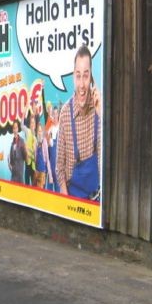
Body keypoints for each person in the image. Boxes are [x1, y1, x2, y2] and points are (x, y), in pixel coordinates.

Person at [55, 45, 102, 200]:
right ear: (73, 77)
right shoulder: (66, 113)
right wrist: (64, 195)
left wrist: (101, 114)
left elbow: (106, 160)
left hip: (96, 200)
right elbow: (59, 166)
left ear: (91, 78)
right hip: (71, 197)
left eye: (86, 76)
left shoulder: (99, 109)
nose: (82, 84)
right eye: (78, 76)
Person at [44, 102, 60, 192]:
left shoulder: (61, 127)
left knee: (57, 181)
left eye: (56, 113)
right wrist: (49, 139)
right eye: (53, 113)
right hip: (52, 156)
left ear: (58, 114)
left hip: (59, 157)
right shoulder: (51, 127)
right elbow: (45, 134)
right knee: (50, 180)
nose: (55, 115)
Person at [33, 121, 53, 189]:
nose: (40, 132)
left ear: (42, 132)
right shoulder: (36, 142)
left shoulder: (44, 141)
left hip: (42, 172)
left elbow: (47, 159)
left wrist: (50, 176)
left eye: (41, 131)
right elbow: (35, 159)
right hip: (36, 171)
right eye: (38, 131)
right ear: (37, 132)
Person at [7, 119, 27, 183]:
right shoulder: (12, 145)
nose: (15, 130)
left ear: (18, 129)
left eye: (16, 128)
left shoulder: (22, 141)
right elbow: (11, 163)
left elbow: (25, 158)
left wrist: (25, 150)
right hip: (13, 176)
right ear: (12, 130)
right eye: (14, 128)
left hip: (20, 176)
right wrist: (9, 163)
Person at [24, 113, 37, 186]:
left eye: (34, 122)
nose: (33, 124)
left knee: (34, 187)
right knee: (27, 185)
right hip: (28, 163)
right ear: (29, 124)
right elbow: (23, 124)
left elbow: (36, 156)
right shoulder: (27, 131)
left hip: (34, 166)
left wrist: (35, 150)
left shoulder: (35, 137)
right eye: (31, 122)